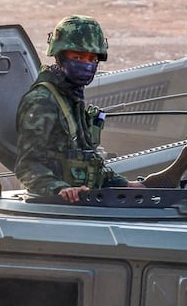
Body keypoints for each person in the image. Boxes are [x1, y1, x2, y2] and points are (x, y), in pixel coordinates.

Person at [14, 15, 144, 202]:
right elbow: (27, 166)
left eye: (92, 59)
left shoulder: (72, 98)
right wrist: (60, 189)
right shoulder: (42, 101)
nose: (86, 64)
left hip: (83, 202)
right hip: (52, 207)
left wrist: (124, 185)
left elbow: (87, 159)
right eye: (78, 57)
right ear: (60, 56)